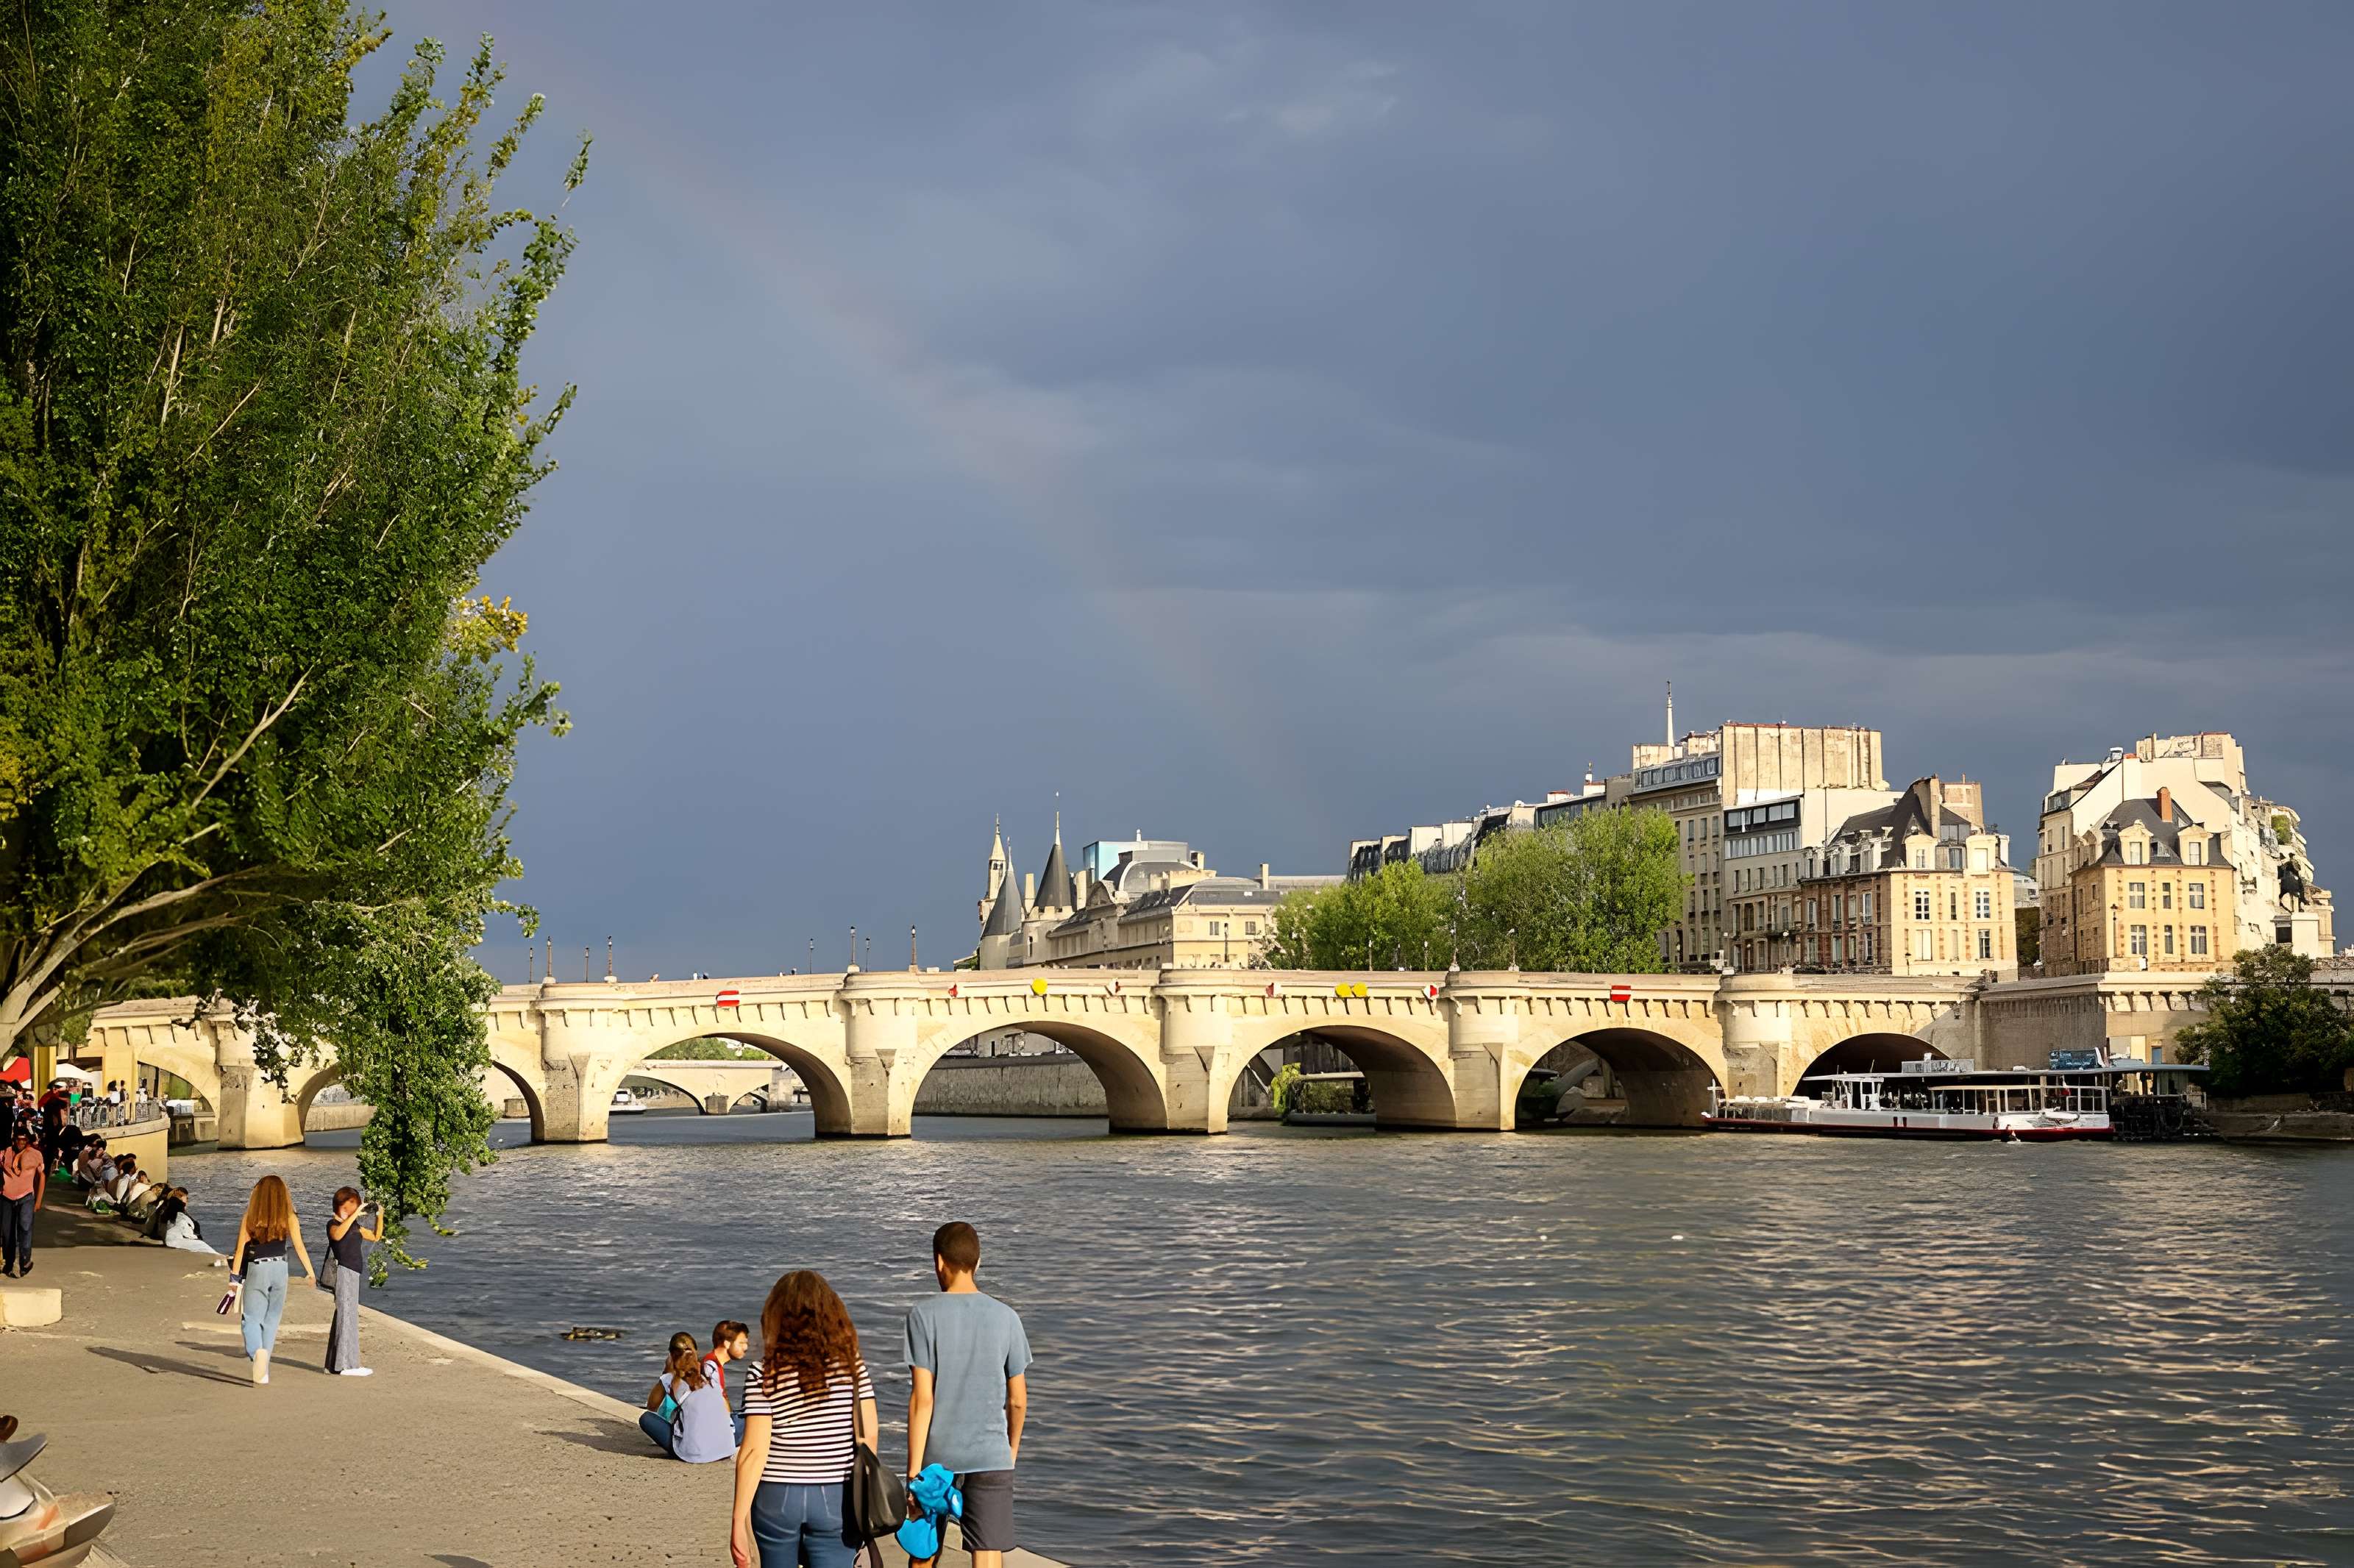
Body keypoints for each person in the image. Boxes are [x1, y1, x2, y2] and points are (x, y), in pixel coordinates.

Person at [903, 1222, 1031, 1568]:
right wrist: (1010, 1451)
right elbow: (1018, 1400)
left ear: (939, 1262)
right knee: (987, 1553)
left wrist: (914, 1472)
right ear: (978, 1262)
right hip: (992, 1455)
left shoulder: (922, 1315)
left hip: (937, 1455)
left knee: (924, 1548)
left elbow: (922, 1399)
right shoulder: (1008, 1318)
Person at [730, 1270, 877, 1568]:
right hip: (836, 1495)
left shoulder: (763, 1372)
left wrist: (738, 1522)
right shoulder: (852, 1368)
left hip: (776, 1496)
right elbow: (868, 1438)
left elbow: (754, 1452)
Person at [228, 1175, 316, 1385]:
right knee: (272, 1319)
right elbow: (299, 1246)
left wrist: (233, 1280)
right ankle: (264, 1367)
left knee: (251, 1318)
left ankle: (256, 1352)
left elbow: (240, 1250)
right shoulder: (290, 1217)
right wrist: (311, 1272)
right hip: (280, 1268)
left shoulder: (250, 1217)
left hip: (258, 1268)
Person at [642, 1331, 734, 1464]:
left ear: (672, 1355)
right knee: (737, 1417)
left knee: (646, 1419)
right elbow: (726, 1411)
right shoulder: (709, 1373)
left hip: (694, 1454)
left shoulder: (671, 1379)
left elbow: (651, 1406)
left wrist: (666, 1371)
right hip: (726, 1448)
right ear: (696, 1351)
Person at [322, 1187, 382, 1376]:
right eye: (352, 1204)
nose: (355, 1208)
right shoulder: (333, 1224)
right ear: (342, 1205)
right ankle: (346, 1366)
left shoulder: (354, 1226)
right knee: (346, 1318)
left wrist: (380, 1215)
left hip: (354, 1273)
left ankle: (334, 1365)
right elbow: (338, 1235)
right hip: (344, 1272)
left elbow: (375, 1236)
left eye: (356, 1204)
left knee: (348, 1317)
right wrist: (354, 1214)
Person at [1, 1126, 43, 1279]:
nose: (21, 1143)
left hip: (26, 1197)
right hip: (6, 1197)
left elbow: (41, 1177)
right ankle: (9, 1261)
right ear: (14, 1140)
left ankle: (24, 1262)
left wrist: (38, 1200)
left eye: (24, 1140)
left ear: (28, 1141)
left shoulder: (35, 1155)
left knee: (25, 1228)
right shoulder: (6, 1153)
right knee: (7, 1232)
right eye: (19, 1140)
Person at [706, 1319, 753, 1447]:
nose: (746, 1347)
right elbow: (717, 1402)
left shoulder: (711, 1363)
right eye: (741, 1343)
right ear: (727, 1343)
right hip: (718, 1433)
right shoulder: (710, 1367)